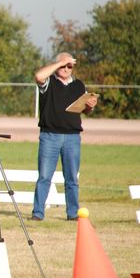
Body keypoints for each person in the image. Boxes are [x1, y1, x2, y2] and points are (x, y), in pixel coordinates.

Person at [31, 52, 98, 221]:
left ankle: (72, 213)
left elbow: (86, 110)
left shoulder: (79, 85)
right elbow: (38, 76)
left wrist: (91, 106)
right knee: (45, 177)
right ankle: (38, 213)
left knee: (72, 179)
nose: (67, 69)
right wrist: (59, 63)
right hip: (49, 136)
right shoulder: (49, 82)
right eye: (64, 65)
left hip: (72, 138)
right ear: (57, 65)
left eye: (70, 66)